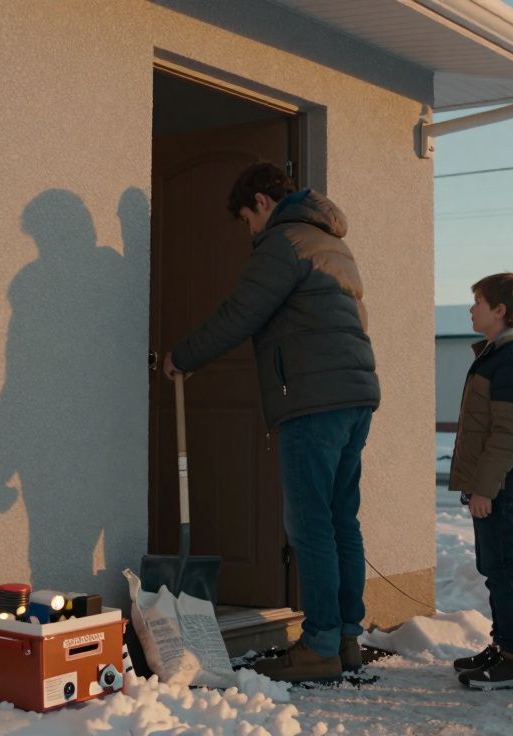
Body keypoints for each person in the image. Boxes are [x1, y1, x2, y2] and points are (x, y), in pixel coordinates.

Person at [165, 162, 379, 684]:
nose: (249, 232)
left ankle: (321, 646)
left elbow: (242, 312)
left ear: (262, 203)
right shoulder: (332, 245)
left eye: (245, 220)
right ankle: (347, 636)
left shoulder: (285, 243)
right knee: (339, 519)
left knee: (309, 525)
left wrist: (183, 357)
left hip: (313, 401)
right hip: (353, 396)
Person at [446, 273, 513, 690]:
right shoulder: (495, 357)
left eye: (479, 302)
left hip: (500, 485)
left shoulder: (512, 362)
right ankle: (509, 645)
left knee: (503, 565)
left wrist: (486, 487)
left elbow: (508, 434)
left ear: (500, 310)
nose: (472, 309)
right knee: (496, 565)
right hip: (492, 483)